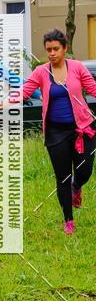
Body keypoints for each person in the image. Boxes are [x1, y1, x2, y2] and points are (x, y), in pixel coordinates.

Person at [19, 29, 96, 234]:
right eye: (48, 50)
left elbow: (93, 88)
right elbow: (24, 91)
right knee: (62, 176)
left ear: (65, 48)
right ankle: (68, 221)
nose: (52, 53)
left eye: (55, 49)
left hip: (82, 128)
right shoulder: (41, 71)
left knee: (85, 170)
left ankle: (76, 186)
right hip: (55, 133)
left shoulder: (78, 68)